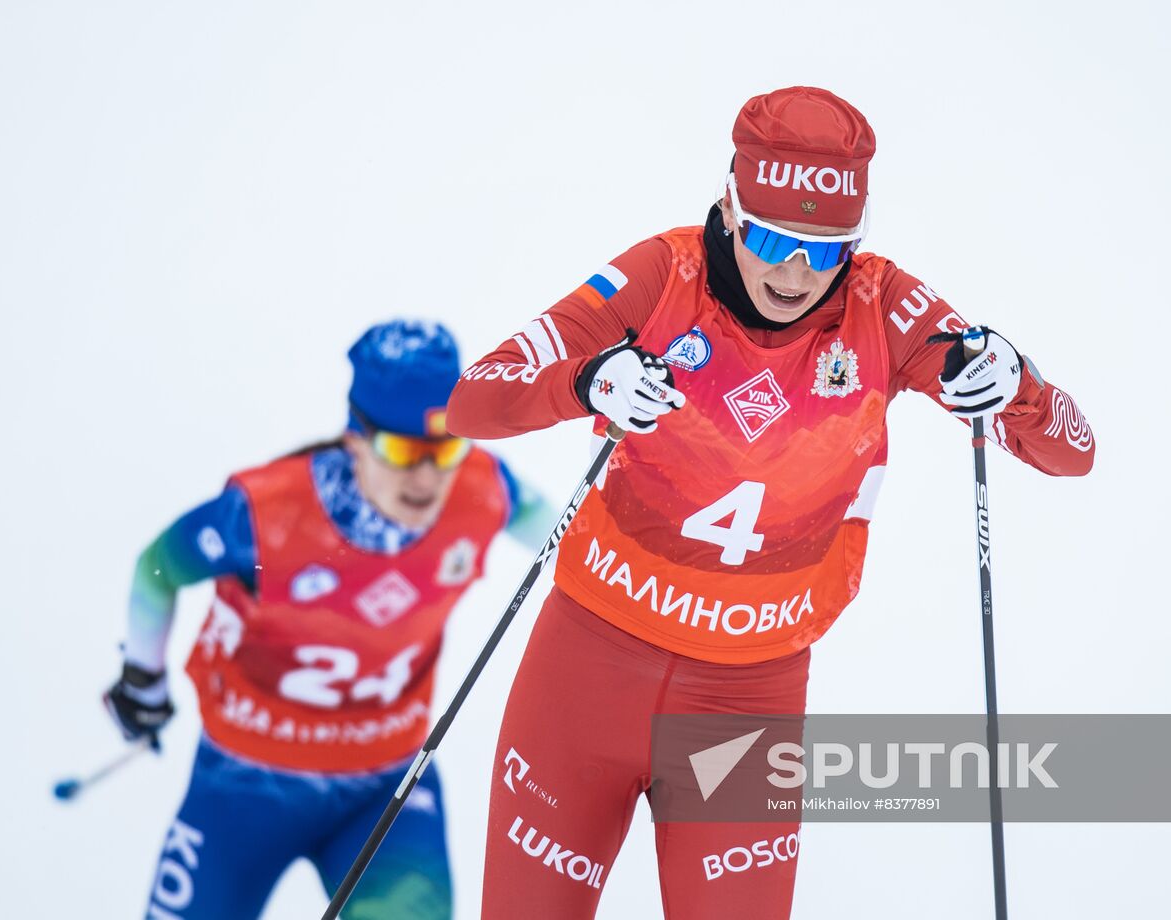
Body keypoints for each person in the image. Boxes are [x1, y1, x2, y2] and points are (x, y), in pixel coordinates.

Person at [446, 86, 1096, 919]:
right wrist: (585, 380)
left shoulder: (886, 308)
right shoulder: (659, 276)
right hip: (585, 670)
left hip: (747, 700)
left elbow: (1070, 453)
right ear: (729, 205)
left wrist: (1018, 383)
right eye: (770, 239)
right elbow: (472, 398)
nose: (794, 273)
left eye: (825, 252)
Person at [104, 319, 553, 920]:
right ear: (356, 438)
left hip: (385, 785)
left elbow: (580, 544)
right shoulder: (266, 516)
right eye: (402, 451)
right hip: (244, 784)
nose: (427, 477)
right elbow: (159, 566)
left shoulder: (487, 489)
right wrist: (142, 679)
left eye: (446, 447)